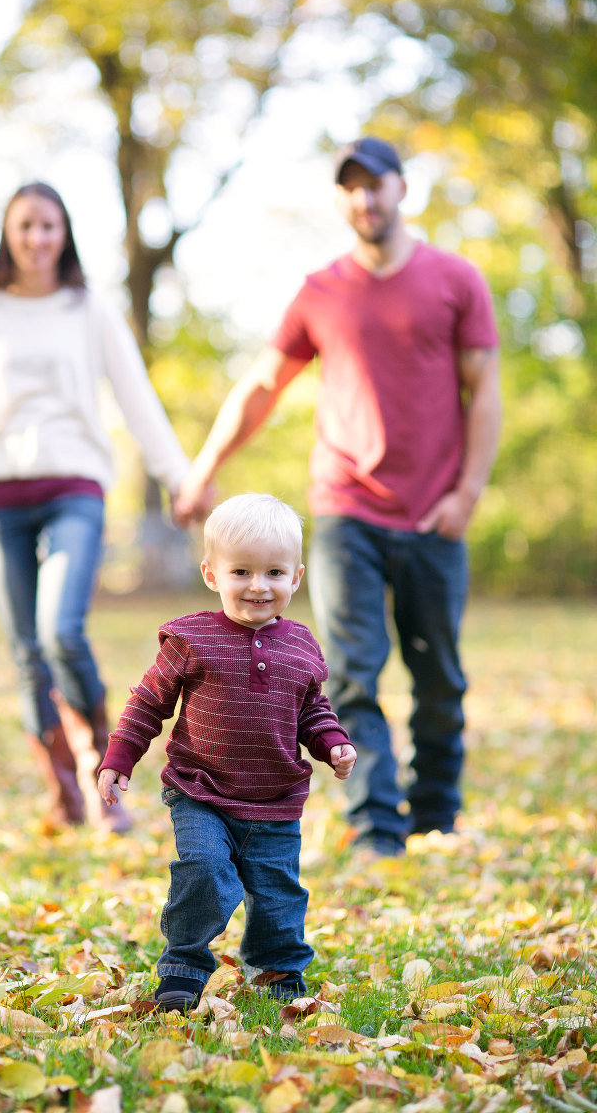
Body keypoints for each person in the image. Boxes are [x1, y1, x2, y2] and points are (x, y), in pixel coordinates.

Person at [175, 137, 502, 857]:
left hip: (435, 513)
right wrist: (204, 467)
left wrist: (467, 493)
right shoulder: (321, 291)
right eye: (351, 187)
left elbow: (485, 393)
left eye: (376, 183)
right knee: (352, 671)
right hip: (346, 506)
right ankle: (377, 828)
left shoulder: (456, 279)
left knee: (437, 673)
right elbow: (262, 385)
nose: (365, 198)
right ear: (341, 198)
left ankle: (437, 815)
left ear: (402, 189)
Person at [0, 182, 189, 833]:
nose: (37, 238)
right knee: (26, 650)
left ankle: (99, 770)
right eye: (25, 226)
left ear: (65, 233)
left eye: (49, 226)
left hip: (75, 486)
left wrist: (179, 477)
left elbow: (136, 397)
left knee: (60, 630)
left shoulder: (88, 308)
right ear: (7, 233)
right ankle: (62, 793)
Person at [97, 493, 357, 1011]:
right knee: (205, 870)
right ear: (212, 574)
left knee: (278, 892)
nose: (258, 586)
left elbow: (311, 709)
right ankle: (183, 967)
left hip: (275, 797)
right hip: (202, 791)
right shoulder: (192, 639)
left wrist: (332, 743)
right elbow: (150, 702)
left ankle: (278, 969)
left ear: (296, 578)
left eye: (274, 573)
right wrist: (119, 758)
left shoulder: (302, 644)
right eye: (241, 571)